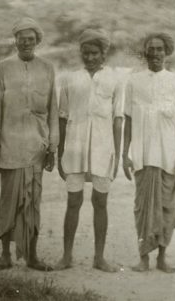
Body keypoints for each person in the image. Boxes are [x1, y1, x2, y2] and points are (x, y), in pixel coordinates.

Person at [0, 17, 58, 271]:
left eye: (31, 39)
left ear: (37, 41)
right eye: (22, 39)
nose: (26, 43)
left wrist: (52, 147)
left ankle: (32, 256)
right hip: (9, 145)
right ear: (15, 40)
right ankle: (5, 254)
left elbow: (52, 110)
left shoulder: (48, 68)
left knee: (33, 202)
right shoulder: (3, 68)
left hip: (36, 148)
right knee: (9, 201)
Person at [55, 29, 123, 272]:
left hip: (104, 146)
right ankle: (66, 256)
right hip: (74, 145)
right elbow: (62, 118)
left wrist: (117, 154)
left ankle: (99, 257)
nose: (90, 57)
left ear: (103, 53)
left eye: (95, 53)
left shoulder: (115, 80)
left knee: (100, 201)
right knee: (73, 201)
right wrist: (60, 150)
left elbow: (118, 119)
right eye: (86, 53)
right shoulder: (69, 79)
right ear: (81, 53)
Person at [122, 33, 175, 273]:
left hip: (168, 153)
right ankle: (143, 258)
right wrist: (124, 154)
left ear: (166, 52)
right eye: (152, 49)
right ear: (145, 52)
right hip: (142, 153)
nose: (156, 53)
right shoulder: (133, 81)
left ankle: (162, 257)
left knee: (166, 207)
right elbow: (128, 120)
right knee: (143, 208)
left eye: (161, 49)